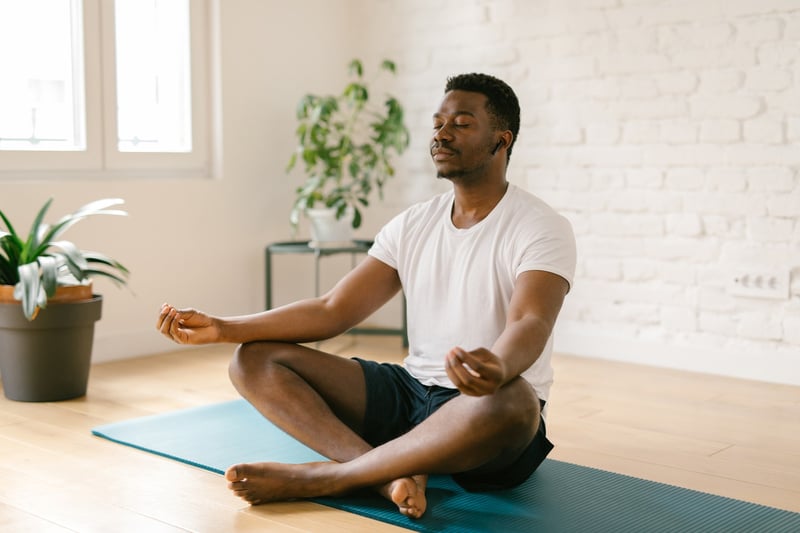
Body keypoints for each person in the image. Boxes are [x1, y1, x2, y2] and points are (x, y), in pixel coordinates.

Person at [157, 72, 576, 519]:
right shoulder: (414, 223)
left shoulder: (540, 226)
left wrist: (498, 367)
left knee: (515, 403)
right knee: (251, 359)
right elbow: (333, 310)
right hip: (412, 394)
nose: (441, 132)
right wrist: (224, 327)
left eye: (461, 122)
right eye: (438, 122)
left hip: (481, 411)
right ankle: (381, 474)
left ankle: (329, 477)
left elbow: (530, 321)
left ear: (501, 140)